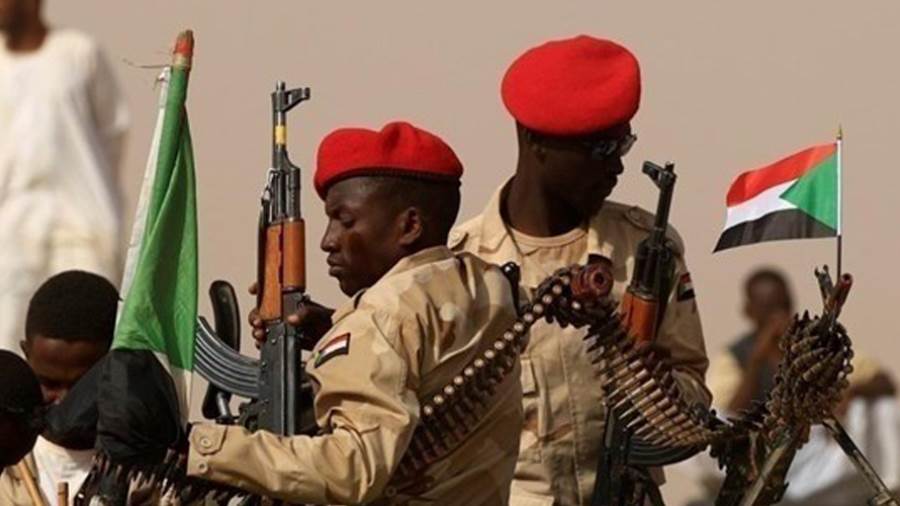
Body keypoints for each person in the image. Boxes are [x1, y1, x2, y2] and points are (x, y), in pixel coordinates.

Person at [188, 121, 523, 505]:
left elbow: (351, 471)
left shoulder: (381, 319)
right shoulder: (486, 283)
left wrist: (201, 447)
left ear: (410, 226)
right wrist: (335, 328)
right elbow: (429, 351)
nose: (327, 240)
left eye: (345, 221)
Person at [447, 35, 711, 505]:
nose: (618, 166)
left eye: (623, 144)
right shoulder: (460, 266)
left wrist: (660, 391)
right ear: (536, 142)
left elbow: (693, 390)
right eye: (601, 148)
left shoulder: (645, 249)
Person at [682, 267, 900, 506]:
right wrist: (757, 361)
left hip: (815, 449)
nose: (777, 316)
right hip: (760, 450)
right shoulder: (737, 356)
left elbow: (883, 381)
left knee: (884, 409)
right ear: (749, 312)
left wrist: (851, 391)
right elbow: (728, 412)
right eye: (768, 309)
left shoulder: (815, 344)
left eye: (782, 306)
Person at [0, 0, 129, 355]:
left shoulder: (78, 53)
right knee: (7, 341)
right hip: (12, 229)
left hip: (82, 225)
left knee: (93, 341)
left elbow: (113, 131)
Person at [0, 270, 119, 506]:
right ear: (27, 355)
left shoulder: (157, 475)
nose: (63, 401)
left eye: (81, 388)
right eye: (49, 383)